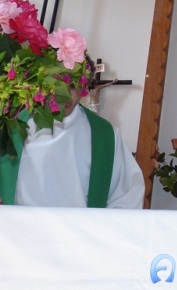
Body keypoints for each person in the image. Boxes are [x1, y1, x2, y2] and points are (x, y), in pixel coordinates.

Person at [4, 85, 145, 209]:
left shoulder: (104, 135)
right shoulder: (11, 127)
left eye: (73, 85)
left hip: (78, 235)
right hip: (21, 233)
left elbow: (127, 197)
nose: (65, 93)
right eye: (58, 82)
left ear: (84, 87)